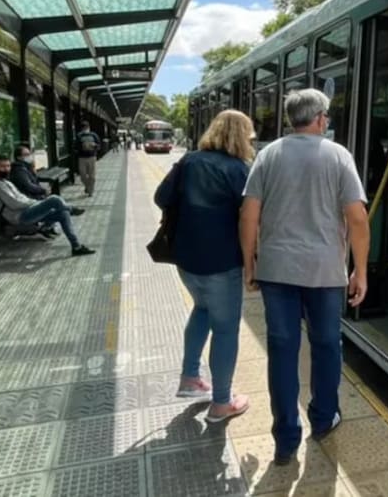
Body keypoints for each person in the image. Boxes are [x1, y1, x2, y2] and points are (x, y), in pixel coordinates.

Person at [239, 89, 370, 464]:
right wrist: (360, 270)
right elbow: (357, 218)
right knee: (327, 345)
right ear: (319, 118)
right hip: (326, 272)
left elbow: (248, 215)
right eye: (326, 116)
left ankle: (285, 439)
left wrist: (250, 265)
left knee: (281, 351)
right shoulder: (338, 155)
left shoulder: (268, 155)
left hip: (276, 271)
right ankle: (324, 417)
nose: (327, 122)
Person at [154, 110, 256, 422]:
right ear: (241, 136)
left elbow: (161, 197)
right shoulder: (239, 169)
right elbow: (250, 217)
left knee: (201, 310)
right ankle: (222, 403)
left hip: (186, 259)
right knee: (226, 330)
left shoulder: (188, 161)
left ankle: (190, 378)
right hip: (221, 263)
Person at [0, 156, 96, 256]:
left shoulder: (6, 182)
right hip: (19, 216)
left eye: (8, 166)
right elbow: (14, 204)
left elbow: (22, 198)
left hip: (27, 210)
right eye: (2, 166)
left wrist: (37, 203)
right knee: (54, 199)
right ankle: (70, 209)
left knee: (63, 213)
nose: (6, 169)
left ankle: (76, 246)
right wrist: (37, 203)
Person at [9, 144, 85, 216]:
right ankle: (70, 209)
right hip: (30, 199)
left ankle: (68, 211)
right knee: (56, 201)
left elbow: (34, 181)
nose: (30, 156)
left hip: (35, 196)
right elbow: (28, 186)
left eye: (30, 154)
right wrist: (43, 190)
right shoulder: (19, 170)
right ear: (19, 157)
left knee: (62, 212)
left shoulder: (27, 167)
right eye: (26, 155)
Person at [76, 122, 101, 197]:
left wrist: (94, 145)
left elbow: (99, 145)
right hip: (82, 158)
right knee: (83, 175)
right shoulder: (79, 136)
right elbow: (75, 146)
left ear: (89, 127)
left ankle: (91, 191)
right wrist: (82, 147)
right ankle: (87, 186)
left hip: (92, 157)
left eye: (86, 127)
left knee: (92, 176)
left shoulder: (94, 135)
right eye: (84, 127)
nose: (85, 129)